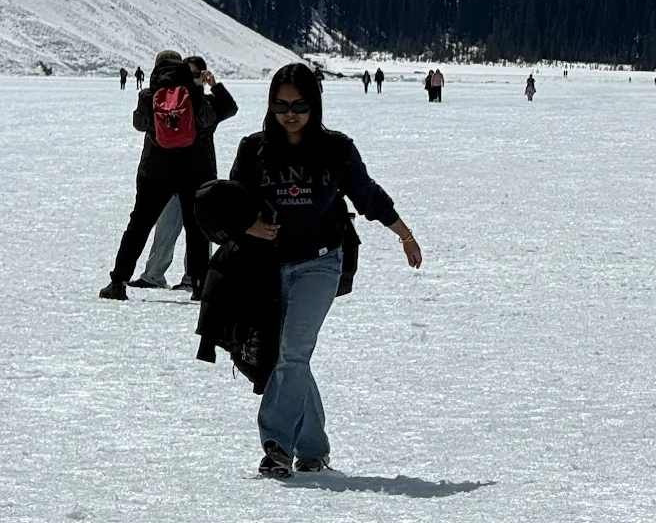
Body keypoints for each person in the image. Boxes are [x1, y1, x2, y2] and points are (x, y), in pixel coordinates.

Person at [230, 62, 422, 480]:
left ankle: (277, 444)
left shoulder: (335, 149)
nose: (290, 114)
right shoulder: (253, 149)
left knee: (293, 351)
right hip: (266, 266)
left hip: (320, 262)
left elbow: (368, 196)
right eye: (281, 105)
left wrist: (404, 235)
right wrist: (248, 226)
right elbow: (230, 204)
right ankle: (313, 448)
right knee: (291, 356)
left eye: (299, 104)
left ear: (314, 104)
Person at [100, 52, 227, 300]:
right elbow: (221, 112)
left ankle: (118, 282)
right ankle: (200, 285)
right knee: (196, 228)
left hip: (154, 172)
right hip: (194, 171)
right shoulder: (194, 95)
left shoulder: (149, 95)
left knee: (138, 226)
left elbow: (139, 124)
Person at [130, 55, 238, 290]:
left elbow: (139, 122)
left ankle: (179, 276)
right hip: (193, 175)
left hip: (167, 175)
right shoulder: (193, 104)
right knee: (183, 227)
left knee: (185, 228)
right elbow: (229, 108)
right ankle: (177, 277)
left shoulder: (192, 103)